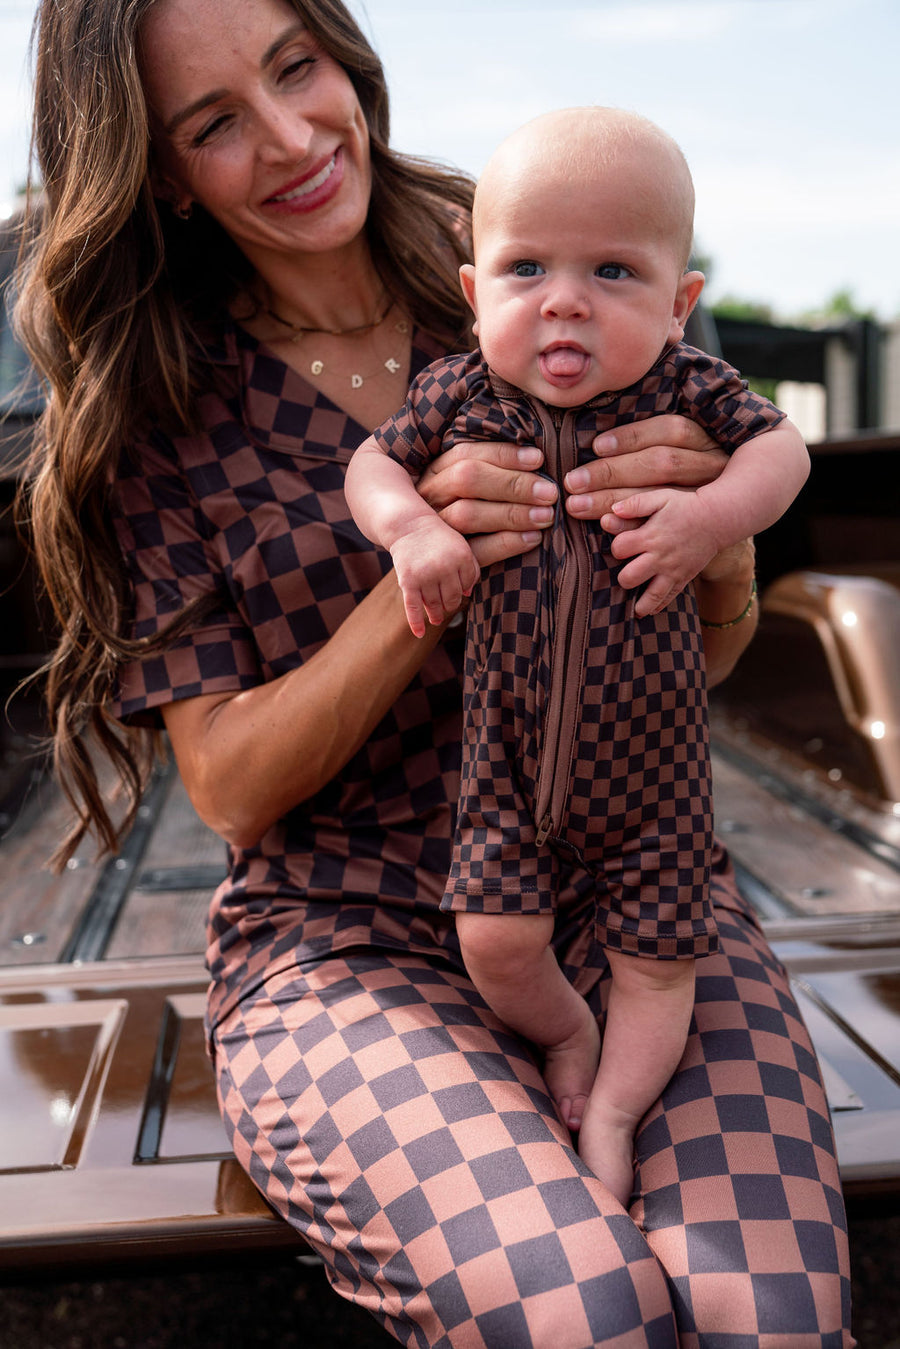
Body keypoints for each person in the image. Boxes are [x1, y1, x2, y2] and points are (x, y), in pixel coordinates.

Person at [16, 0, 853, 1344]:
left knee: (774, 1318)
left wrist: (716, 546)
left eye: (297, 67)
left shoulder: (541, 236)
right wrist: (426, 568)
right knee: (585, 1310)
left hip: (637, 896)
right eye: (216, 122)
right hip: (348, 942)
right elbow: (229, 789)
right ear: (160, 172)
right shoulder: (160, 406)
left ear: (343, 56)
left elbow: (707, 652)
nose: (292, 136)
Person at [344, 106, 810, 1207]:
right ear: (474, 294)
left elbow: (783, 449)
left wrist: (711, 520)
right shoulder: (460, 393)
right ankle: (566, 1033)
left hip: (657, 785)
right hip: (505, 772)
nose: (564, 299)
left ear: (678, 304)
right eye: (526, 269)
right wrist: (412, 532)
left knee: (662, 966)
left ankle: (612, 1107)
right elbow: (373, 465)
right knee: (494, 939)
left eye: (613, 270)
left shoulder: (686, 389)